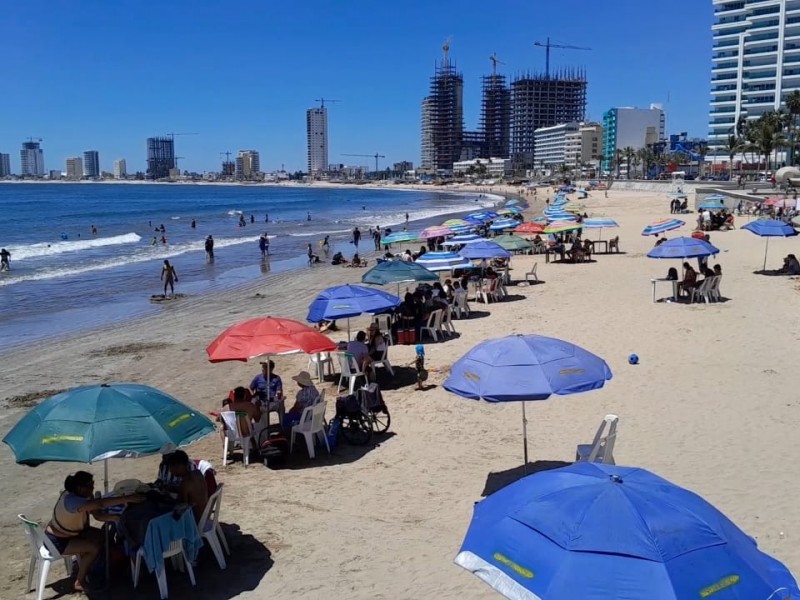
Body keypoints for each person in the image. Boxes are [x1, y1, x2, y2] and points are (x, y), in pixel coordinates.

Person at [46, 471, 144, 593]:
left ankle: (92, 566)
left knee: (104, 536)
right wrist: (127, 498)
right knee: (94, 548)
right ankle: (79, 581)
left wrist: (113, 517)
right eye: (90, 486)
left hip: (73, 532)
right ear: (79, 488)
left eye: (92, 484)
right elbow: (100, 504)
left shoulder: (83, 496)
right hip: (58, 540)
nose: (92, 488)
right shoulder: (73, 501)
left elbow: (97, 515)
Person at [165, 451, 208, 524]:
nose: (170, 471)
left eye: (170, 467)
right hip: (205, 513)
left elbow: (181, 507)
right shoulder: (198, 473)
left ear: (178, 466)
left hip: (195, 520)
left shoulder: (185, 484)